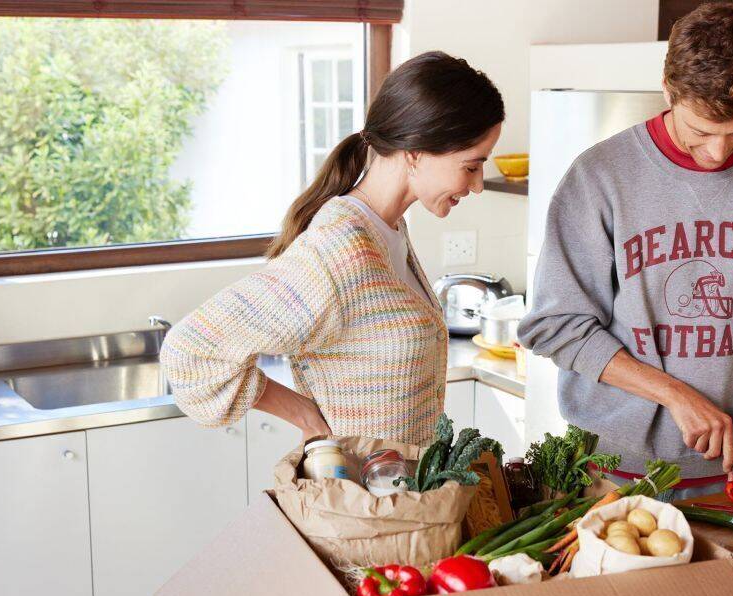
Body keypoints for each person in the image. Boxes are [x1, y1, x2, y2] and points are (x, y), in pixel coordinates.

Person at [520, 3, 733, 500]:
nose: (718, 153)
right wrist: (676, 394)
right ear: (669, 91)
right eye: (702, 132)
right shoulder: (600, 177)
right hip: (614, 472)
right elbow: (555, 327)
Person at [161, 51, 504, 446]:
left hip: (399, 499)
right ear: (416, 153)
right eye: (471, 166)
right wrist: (305, 415)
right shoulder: (339, 251)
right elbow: (190, 351)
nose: (477, 184)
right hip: (356, 500)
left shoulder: (388, 230)